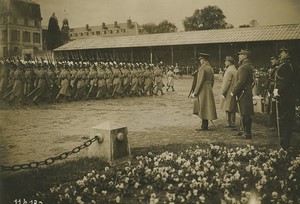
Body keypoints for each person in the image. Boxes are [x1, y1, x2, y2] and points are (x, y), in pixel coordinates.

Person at [273, 47, 297, 150]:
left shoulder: (288, 66)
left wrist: (278, 91)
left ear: (288, 54)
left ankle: (285, 144)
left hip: (287, 96)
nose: (281, 54)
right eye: (281, 52)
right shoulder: (285, 65)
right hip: (284, 96)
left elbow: (286, 82)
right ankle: (283, 143)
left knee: (285, 119)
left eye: (284, 52)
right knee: (282, 119)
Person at [231, 49, 254, 139]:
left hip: (243, 92)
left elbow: (241, 82)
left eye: (241, 55)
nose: (239, 56)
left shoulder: (243, 67)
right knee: (245, 112)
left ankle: (247, 133)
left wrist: (234, 91)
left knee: (245, 112)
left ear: (245, 56)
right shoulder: (249, 66)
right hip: (247, 91)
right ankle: (244, 131)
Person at [191, 53, 217, 131]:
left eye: (200, 59)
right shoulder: (210, 68)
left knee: (202, 107)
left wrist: (195, 92)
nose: (200, 61)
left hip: (203, 89)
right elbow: (212, 81)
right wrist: (209, 87)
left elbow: (200, 81)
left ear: (203, 60)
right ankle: (205, 125)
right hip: (209, 89)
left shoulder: (202, 68)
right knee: (207, 107)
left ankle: (204, 126)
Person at [220, 56, 238, 128]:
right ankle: (233, 122)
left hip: (228, 91)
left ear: (229, 62)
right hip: (233, 91)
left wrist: (223, 91)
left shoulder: (229, 71)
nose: (225, 62)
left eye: (226, 61)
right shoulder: (235, 70)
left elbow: (226, 82)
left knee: (227, 107)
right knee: (232, 107)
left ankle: (229, 123)